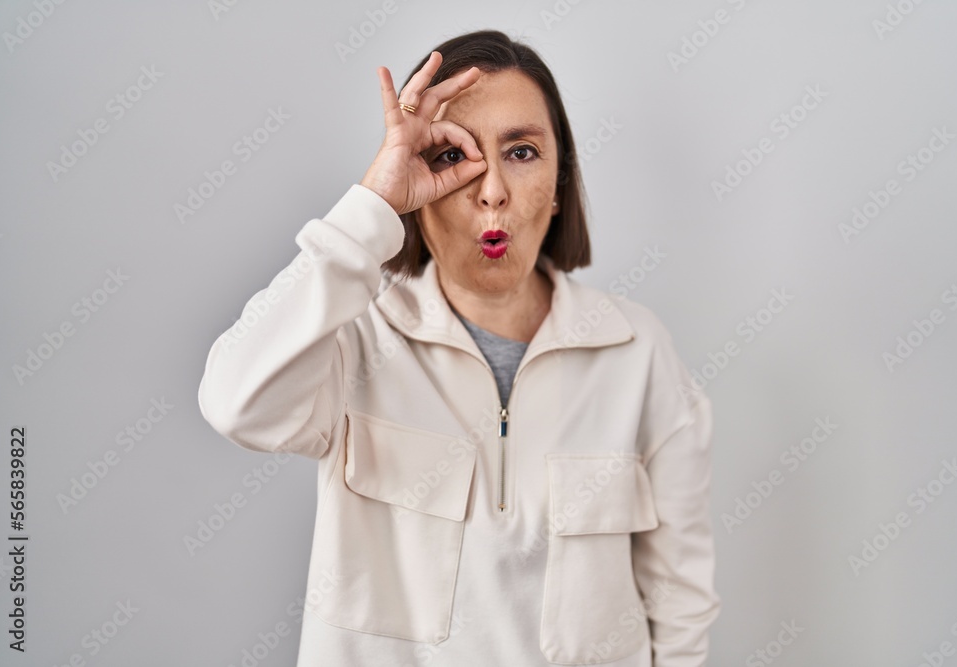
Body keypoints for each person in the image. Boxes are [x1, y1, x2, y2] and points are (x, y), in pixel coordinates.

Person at [198, 29, 720, 667]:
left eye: (523, 151)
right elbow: (235, 405)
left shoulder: (639, 353)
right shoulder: (355, 338)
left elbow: (680, 601)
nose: (492, 190)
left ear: (559, 186)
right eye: (452, 157)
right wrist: (374, 207)